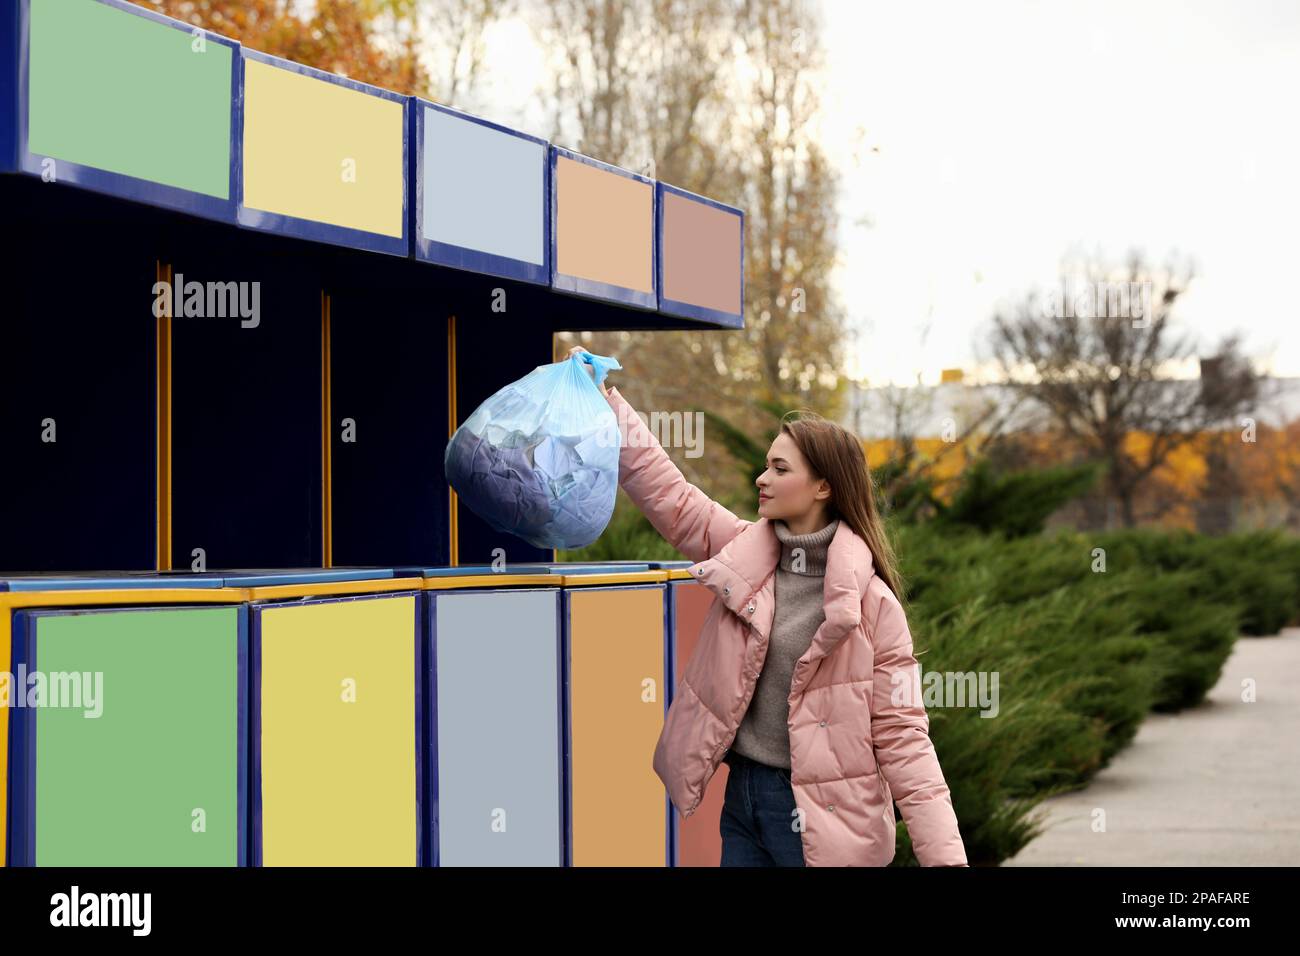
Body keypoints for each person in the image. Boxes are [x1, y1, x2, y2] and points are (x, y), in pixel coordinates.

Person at [569, 345, 968, 867]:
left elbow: (904, 736)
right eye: (765, 466)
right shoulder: (745, 554)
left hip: (821, 821)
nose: (762, 479)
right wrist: (606, 403)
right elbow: (673, 498)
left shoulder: (874, 607)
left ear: (823, 485)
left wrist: (947, 859)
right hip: (744, 799)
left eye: (780, 468)